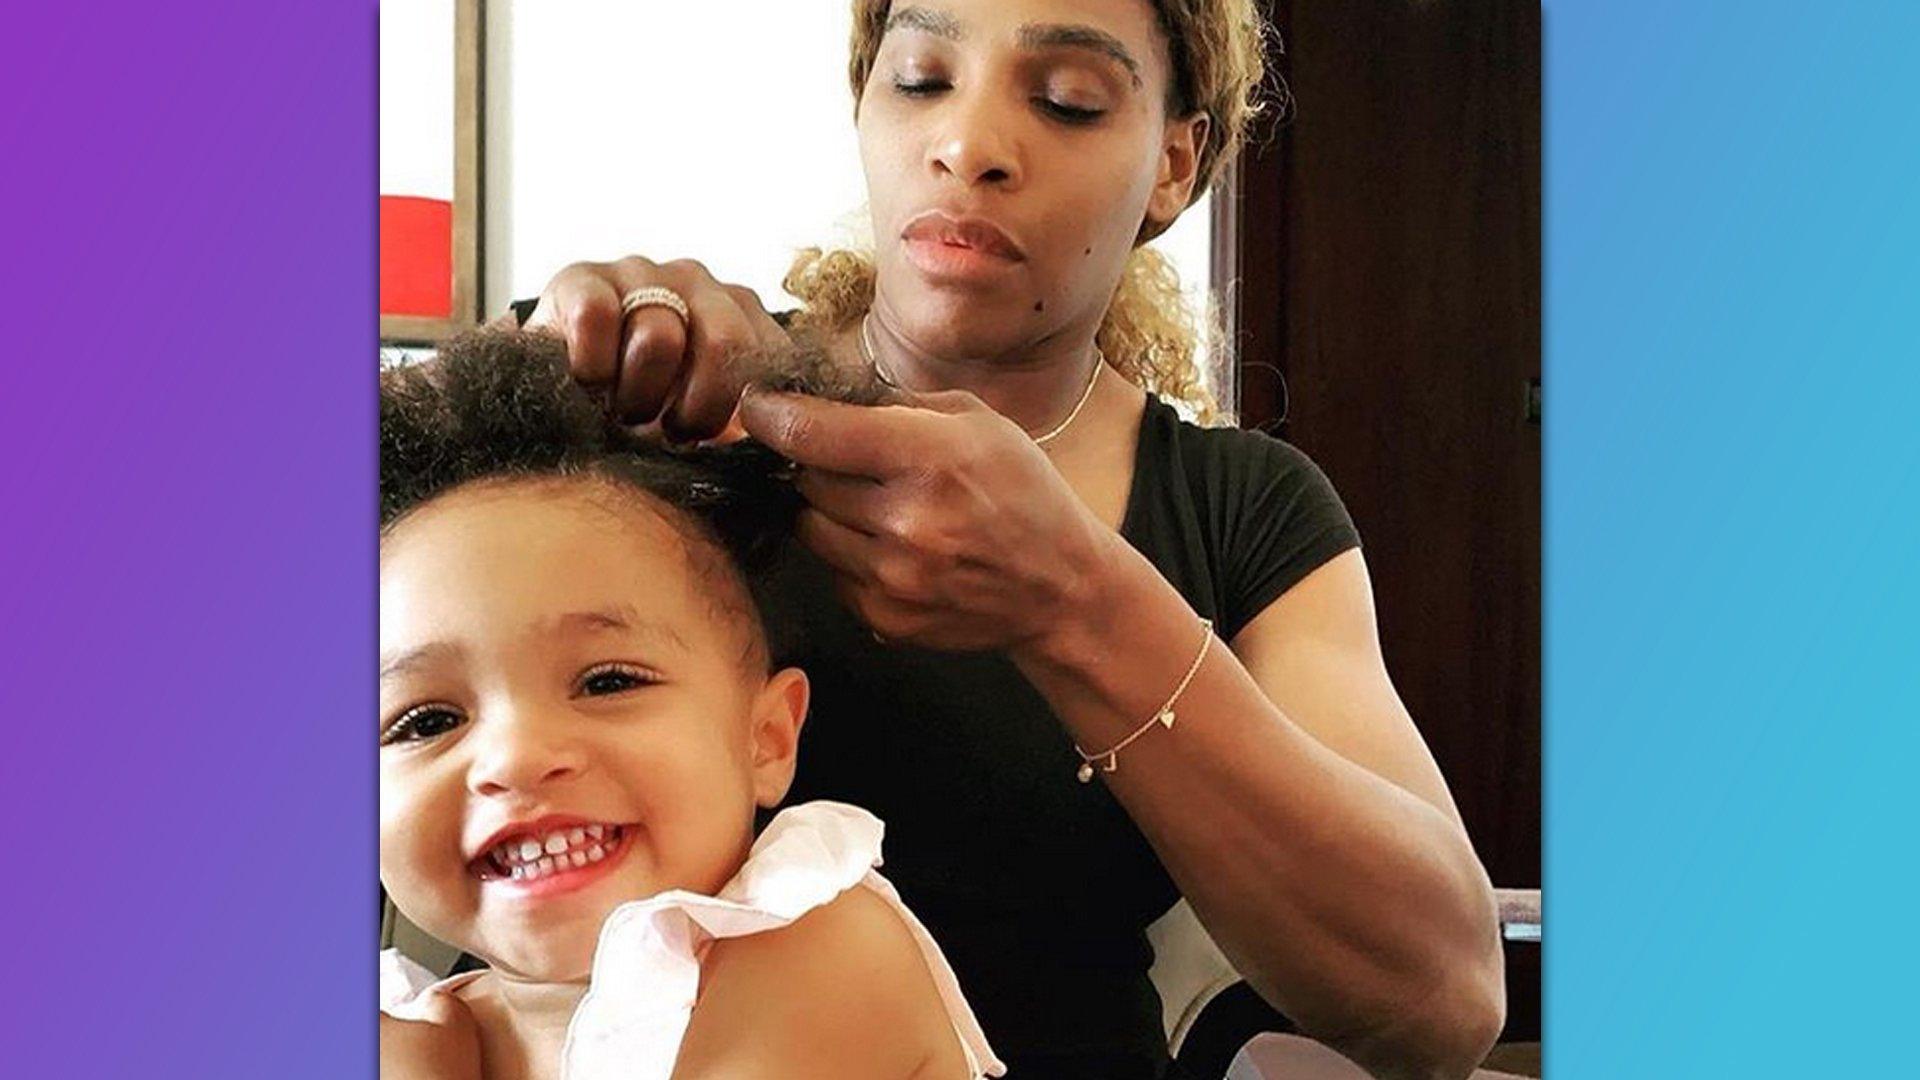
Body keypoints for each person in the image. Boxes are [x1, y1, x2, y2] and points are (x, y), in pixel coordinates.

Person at [509, 1, 1506, 1075]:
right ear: (865, 104)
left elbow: (1444, 1000)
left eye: (1067, 101)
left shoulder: (1245, 510)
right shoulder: (680, 415)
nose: (969, 146)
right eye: (924, 81)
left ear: (1175, 163)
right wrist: (525, 409)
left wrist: (1079, 602)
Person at [377, 330, 1004, 1079]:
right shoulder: (425, 1024)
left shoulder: (815, 949)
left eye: (608, 681)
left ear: (766, 739)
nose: (515, 759)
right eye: (428, 721)